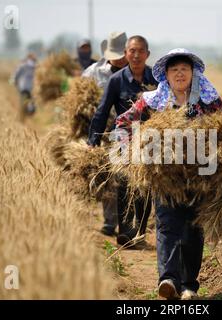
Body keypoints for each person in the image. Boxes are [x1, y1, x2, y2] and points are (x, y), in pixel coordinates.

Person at [115, 48, 222, 299]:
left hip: (201, 177)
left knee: (193, 229)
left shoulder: (208, 101)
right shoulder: (153, 101)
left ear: (193, 74)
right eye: (174, 70)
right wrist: (129, 149)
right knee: (166, 225)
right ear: (166, 75)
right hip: (165, 176)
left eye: (185, 69)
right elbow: (124, 122)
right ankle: (169, 281)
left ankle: (188, 286)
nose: (180, 73)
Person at [87, 35, 158, 248]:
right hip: (123, 138)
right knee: (124, 183)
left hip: (150, 139)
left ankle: (140, 232)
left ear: (147, 54)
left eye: (140, 51)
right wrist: (93, 141)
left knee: (145, 186)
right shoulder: (116, 80)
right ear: (125, 54)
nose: (136, 55)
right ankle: (126, 232)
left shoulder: (156, 79)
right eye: (132, 51)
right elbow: (102, 112)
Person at [81, 31, 129, 236]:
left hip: (130, 132)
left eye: (121, 54)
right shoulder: (93, 72)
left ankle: (129, 224)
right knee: (108, 175)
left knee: (127, 177)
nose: (118, 58)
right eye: (114, 54)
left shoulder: (136, 73)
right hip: (103, 130)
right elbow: (80, 100)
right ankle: (110, 221)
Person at [12, 53, 37, 120]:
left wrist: (14, 81)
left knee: (26, 100)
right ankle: (28, 111)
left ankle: (24, 113)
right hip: (30, 88)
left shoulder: (23, 66)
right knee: (30, 100)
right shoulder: (35, 67)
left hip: (24, 87)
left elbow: (16, 75)